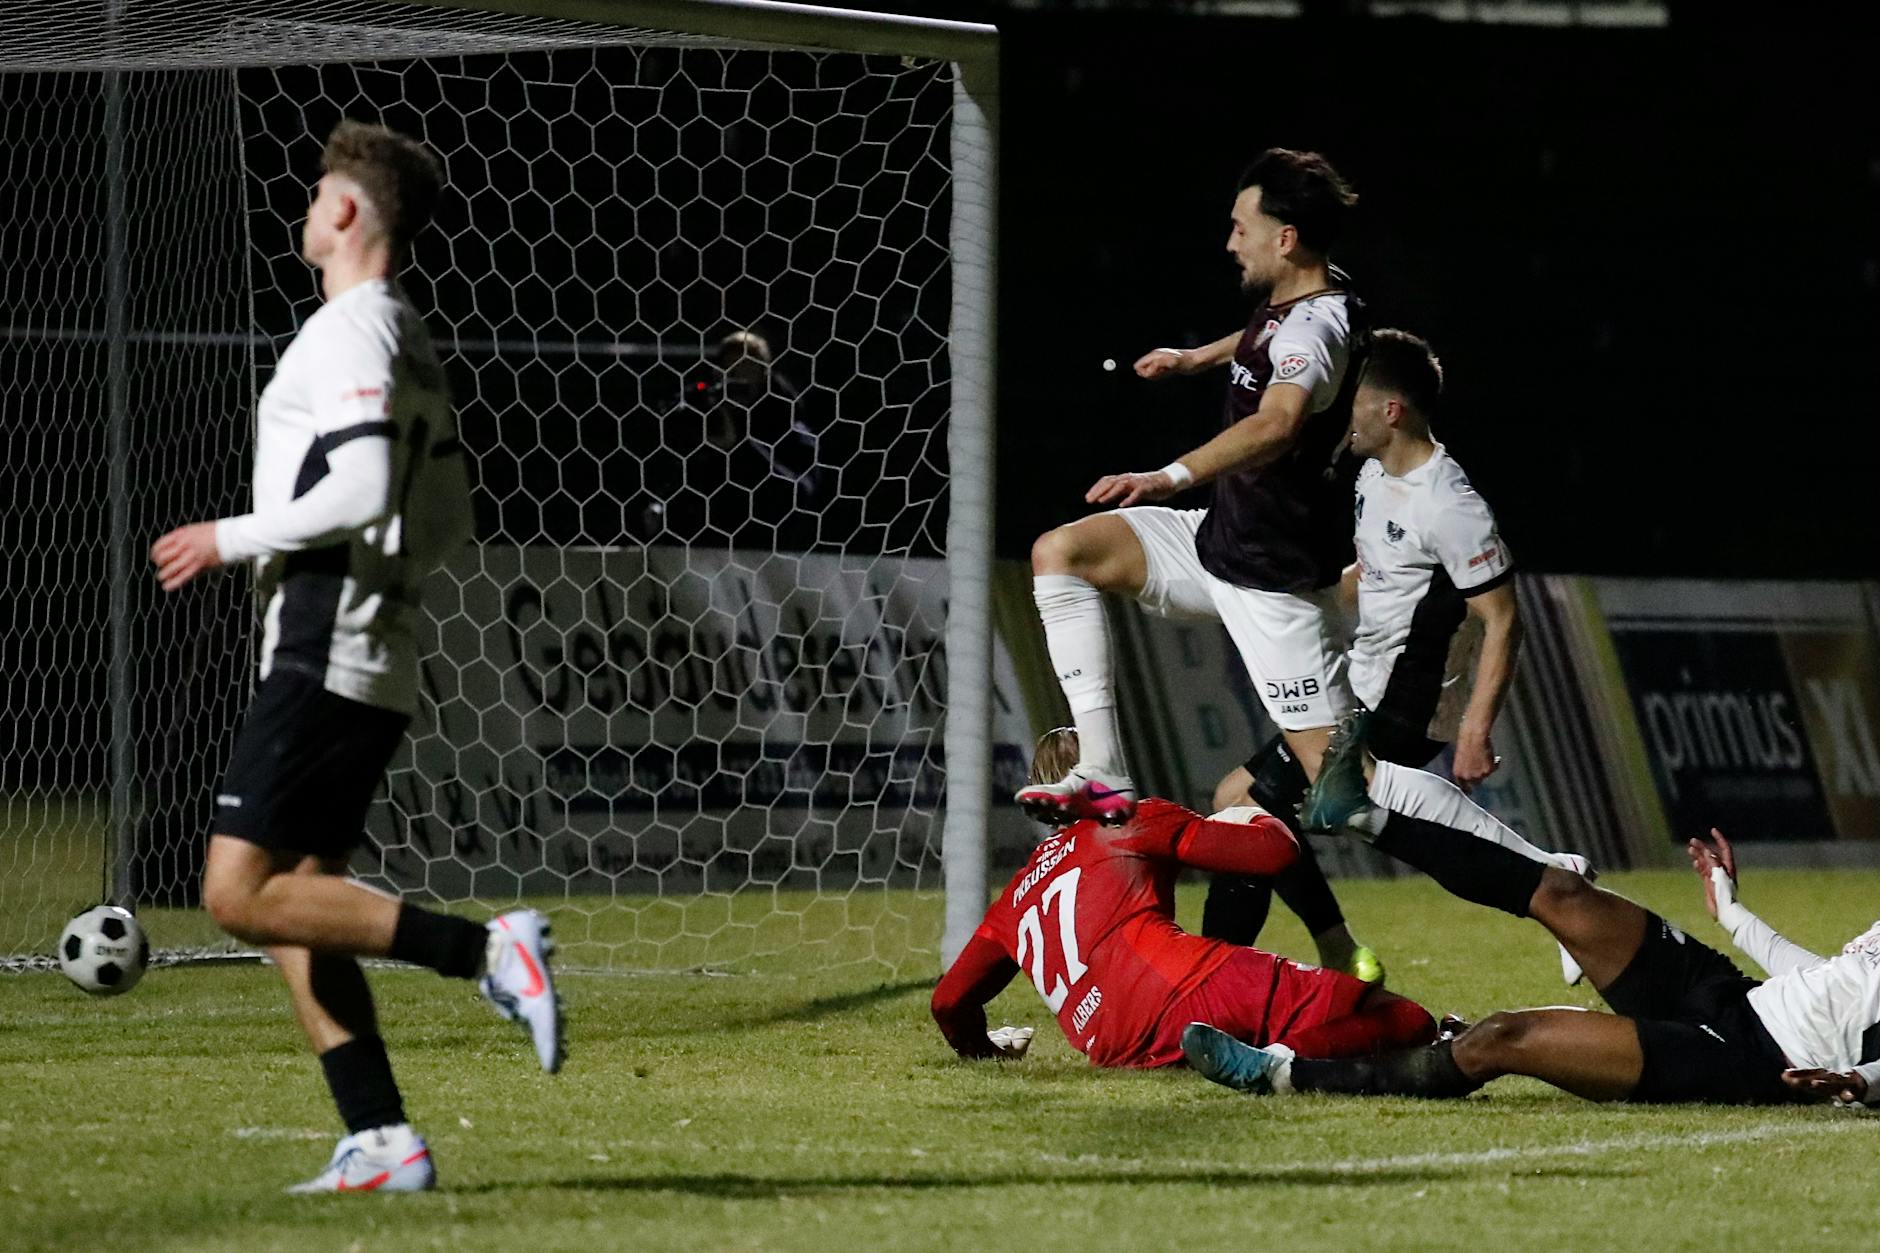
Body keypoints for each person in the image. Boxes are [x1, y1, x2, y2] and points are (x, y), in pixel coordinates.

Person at [148, 121, 562, 1195]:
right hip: (369, 643)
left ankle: (487, 954)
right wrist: (385, 583)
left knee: (237, 895)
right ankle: (379, 1135)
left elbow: (367, 489)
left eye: (317, 191)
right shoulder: (406, 336)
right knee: (300, 901)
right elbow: (447, 515)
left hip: (325, 640)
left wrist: (229, 535)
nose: (305, 207)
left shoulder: (347, 331)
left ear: (342, 212)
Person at [1186, 723, 1880, 1107]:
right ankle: (1363, 814)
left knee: (1503, 1037)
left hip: (1758, 1062)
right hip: (1735, 996)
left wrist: (1860, 1081)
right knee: (1561, 891)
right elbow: (1836, 973)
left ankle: (1283, 1074)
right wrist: (1734, 915)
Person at [1205, 330, 1586, 983]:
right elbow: (1373, 578)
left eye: (1352, 400)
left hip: (1403, 701)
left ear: (1390, 411)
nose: (1337, 412)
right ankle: (1548, 875)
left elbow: (1503, 619)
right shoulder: (1372, 476)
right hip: (1362, 684)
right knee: (1257, 803)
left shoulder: (1450, 503)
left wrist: (1474, 728)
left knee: (1249, 809)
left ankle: (1223, 979)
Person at [1017, 149, 1366, 837]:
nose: (1230, 241)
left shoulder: (1316, 328)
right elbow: (1265, 338)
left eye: (1241, 227)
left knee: (1353, 797)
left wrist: (1165, 476)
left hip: (1274, 584)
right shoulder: (1315, 300)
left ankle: (1541, 872)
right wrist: (1195, 359)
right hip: (1218, 542)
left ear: (1284, 238)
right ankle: (1104, 770)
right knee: (1061, 551)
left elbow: (1277, 422)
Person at [931, 728, 1436, 1069]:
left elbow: (949, 1002)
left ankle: (1256, 1054)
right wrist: (1254, 813)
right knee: (1407, 1021)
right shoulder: (1127, 818)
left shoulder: (1016, 896)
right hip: (1184, 989)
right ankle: (1278, 1066)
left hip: (1116, 1048)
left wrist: (984, 1052)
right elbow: (1273, 856)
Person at [640, 329, 823, 550]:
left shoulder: (788, 421)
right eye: (731, 372)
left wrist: (740, 447)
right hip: (703, 547)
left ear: (764, 375)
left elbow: (801, 491)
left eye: (747, 371)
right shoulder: (704, 412)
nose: (738, 381)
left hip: (767, 549)